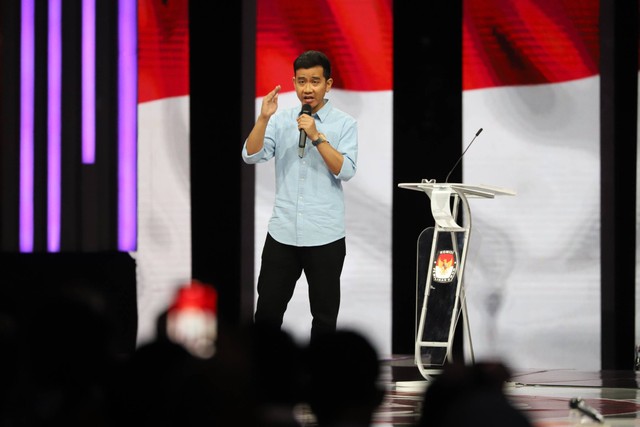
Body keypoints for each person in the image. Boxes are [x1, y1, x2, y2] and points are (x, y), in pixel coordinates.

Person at [242, 50, 358, 343]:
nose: (308, 89)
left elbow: (345, 170)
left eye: (315, 81)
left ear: (328, 84)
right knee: (267, 314)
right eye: (302, 81)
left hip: (325, 235)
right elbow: (250, 155)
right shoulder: (280, 120)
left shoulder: (345, 124)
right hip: (283, 234)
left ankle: (321, 382)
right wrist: (263, 119)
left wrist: (317, 136)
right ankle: (262, 379)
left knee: (324, 317)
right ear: (293, 82)